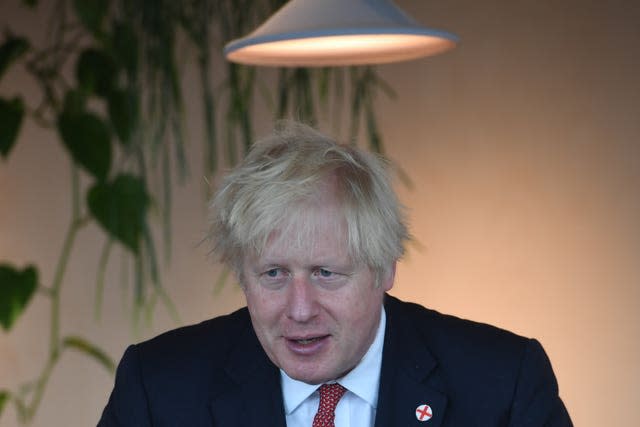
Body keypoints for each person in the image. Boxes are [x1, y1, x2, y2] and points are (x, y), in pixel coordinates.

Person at [98, 122, 573, 426]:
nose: (300, 310)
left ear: (385, 267)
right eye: (273, 274)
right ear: (241, 274)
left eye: (326, 273)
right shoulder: (158, 390)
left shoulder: (502, 384)